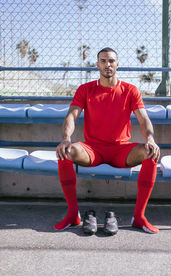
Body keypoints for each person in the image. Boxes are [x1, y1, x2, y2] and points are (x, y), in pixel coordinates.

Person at [55, 47, 160, 235]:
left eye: (111, 61)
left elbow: (143, 118)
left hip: (121, 150)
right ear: (97, 65)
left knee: (151, 153)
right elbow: (72, 115)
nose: (107, 65)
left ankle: (139, 217)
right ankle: (73, 215)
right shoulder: (85, 89)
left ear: (117, 64)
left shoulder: (130, 90)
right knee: (65, 152)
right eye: (103, 61)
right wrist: (65, 139)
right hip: (92, 149)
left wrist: (150, 138)